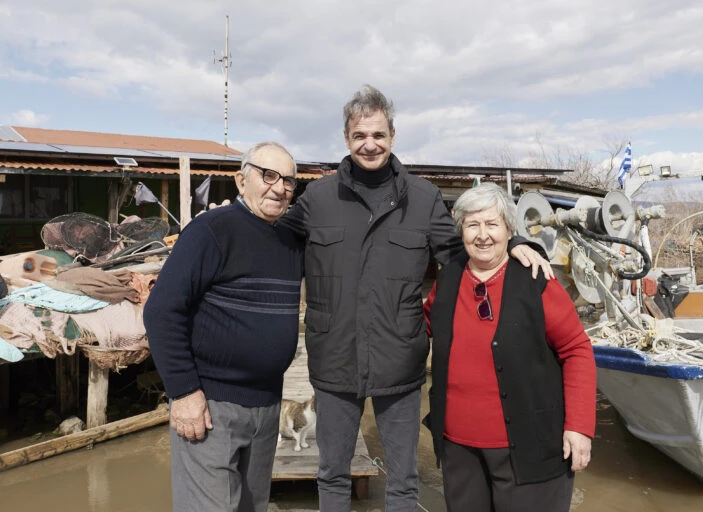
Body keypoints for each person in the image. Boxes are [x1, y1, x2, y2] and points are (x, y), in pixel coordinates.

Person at [280, 84, 553, 511]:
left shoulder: (423, 199)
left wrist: (515, 240)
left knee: (404, 480)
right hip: (334, 359)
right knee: (332, 474)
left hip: (400, 359)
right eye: (359, 136)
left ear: (392, 135)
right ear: (346, 139)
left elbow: (465, 253)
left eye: (378, 135)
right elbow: (273, 242)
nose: (369, 145)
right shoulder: (318, 198)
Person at [144, 142, 303, 512]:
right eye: (268, 175)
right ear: (240, 179)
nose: (279, 187)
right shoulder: (212, 230)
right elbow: (162, 311)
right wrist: (183, 393)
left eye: (289, 181)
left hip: (267, 406)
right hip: (212, 406)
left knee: (252, 506)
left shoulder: (290, 241)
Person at [422, 183, 596, 512]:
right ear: (461, 231)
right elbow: (423, 325)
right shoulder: (450, 278)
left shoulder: (535, 278)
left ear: (509, 229)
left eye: (492, 224)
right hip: (459, 448)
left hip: (529, 446)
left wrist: (579, 427)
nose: (483, 235)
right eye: (473, 225)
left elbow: (576, 350)